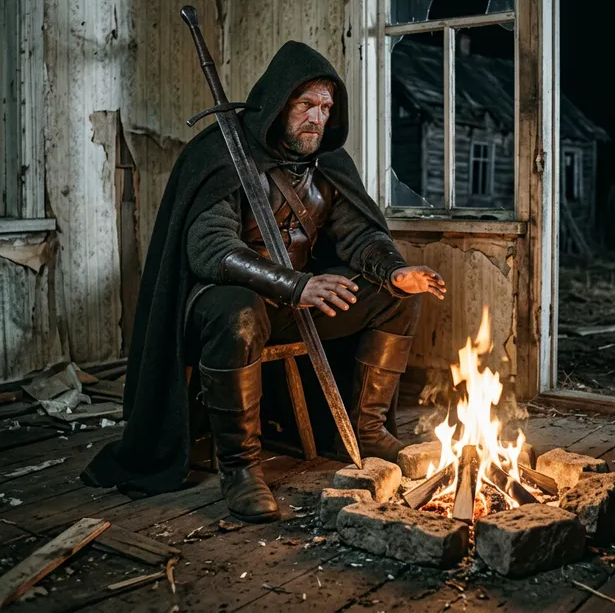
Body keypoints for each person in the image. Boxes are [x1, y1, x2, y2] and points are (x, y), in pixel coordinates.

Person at [82, 41, 446, 524]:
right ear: (278, 103)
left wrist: (394, 270)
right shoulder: (220, 155)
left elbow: (357, 234)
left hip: (296, 303)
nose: (317, 118)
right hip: (223, 309)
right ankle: (241, 467)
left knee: (396, 298)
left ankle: (367, 430)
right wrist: (295, 285)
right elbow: (211, 250)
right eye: (306, 105)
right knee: (238, 310)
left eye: (326, 107)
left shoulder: (329, 166)